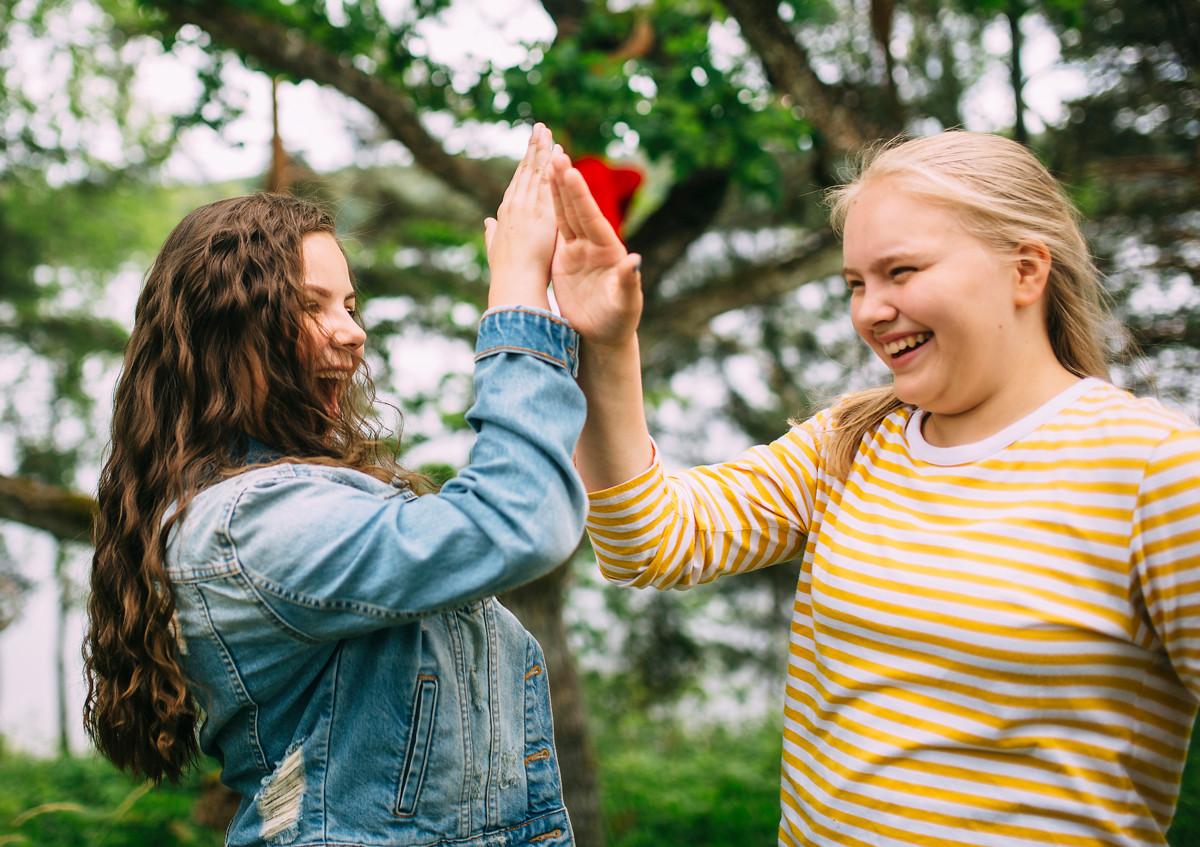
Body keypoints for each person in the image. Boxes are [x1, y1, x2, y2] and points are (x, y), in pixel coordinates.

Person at [546, 130, 1200, 846]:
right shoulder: (848, 445)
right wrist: (607, 346)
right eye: (857, 283)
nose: (870, 311)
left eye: (902, 271)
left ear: (1025, 270)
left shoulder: (1154, 470)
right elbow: (649, 543)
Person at [83, 124, 584, 847]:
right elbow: (516, 523)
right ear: (230, 332)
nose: (352, 332)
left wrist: (599, 328)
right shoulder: (249, 524)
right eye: (311, 305)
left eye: (349, 305)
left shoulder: (309, 496)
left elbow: (539, 508)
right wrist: (516, 297)